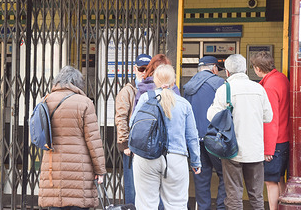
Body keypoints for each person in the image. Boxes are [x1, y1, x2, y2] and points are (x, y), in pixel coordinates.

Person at [130, 64, 201, 209]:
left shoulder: (145, 98)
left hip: (146, 157)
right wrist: (195, 161)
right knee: (177, 204)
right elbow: (192, 137)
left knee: (146, 204)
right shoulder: (184, 104)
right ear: (173, 81)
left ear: (155, 80)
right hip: (176, 158)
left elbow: (133, 123)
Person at [207, 54, 273, 210]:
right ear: (244, 69)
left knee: (234, 195)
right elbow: (268, 117)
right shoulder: (259, 89)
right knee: (257, 196)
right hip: (255, 150)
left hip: (232, 150)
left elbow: (212, 116)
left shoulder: (224, 90)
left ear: (227, 72)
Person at [38, 66, 107, 210]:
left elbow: (38, 135)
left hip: (52, 168)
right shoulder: (85, 102)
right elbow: (93, 140)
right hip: (79, 170)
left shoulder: (45, 101)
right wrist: (100, 170)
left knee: (55, 205)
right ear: (78, 83)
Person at [183, 56, 226, 210]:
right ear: (214, 67)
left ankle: (203, 208)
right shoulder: (220, 84)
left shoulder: (187, 86)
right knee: (225, 175)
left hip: (195, 139)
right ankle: (221, 207)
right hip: (215, 139)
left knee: (201, 177)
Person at [250, 51, 290, 210]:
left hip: (276, 141)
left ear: (258, 68)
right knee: (279, 179)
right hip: (284, 137)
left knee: (270, 181)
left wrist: (268, 149)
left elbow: (270, 119)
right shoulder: (281, 78)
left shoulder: (270, 85)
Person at [115, 53, 151, 205]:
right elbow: (121, 117)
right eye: (142, 69)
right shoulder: (127, 91)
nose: (145, 73)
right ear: (135, 69)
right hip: (132, 146)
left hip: (150, 146)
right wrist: (124, 143)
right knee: (132, 187)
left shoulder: (153, 89)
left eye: (148, 70)